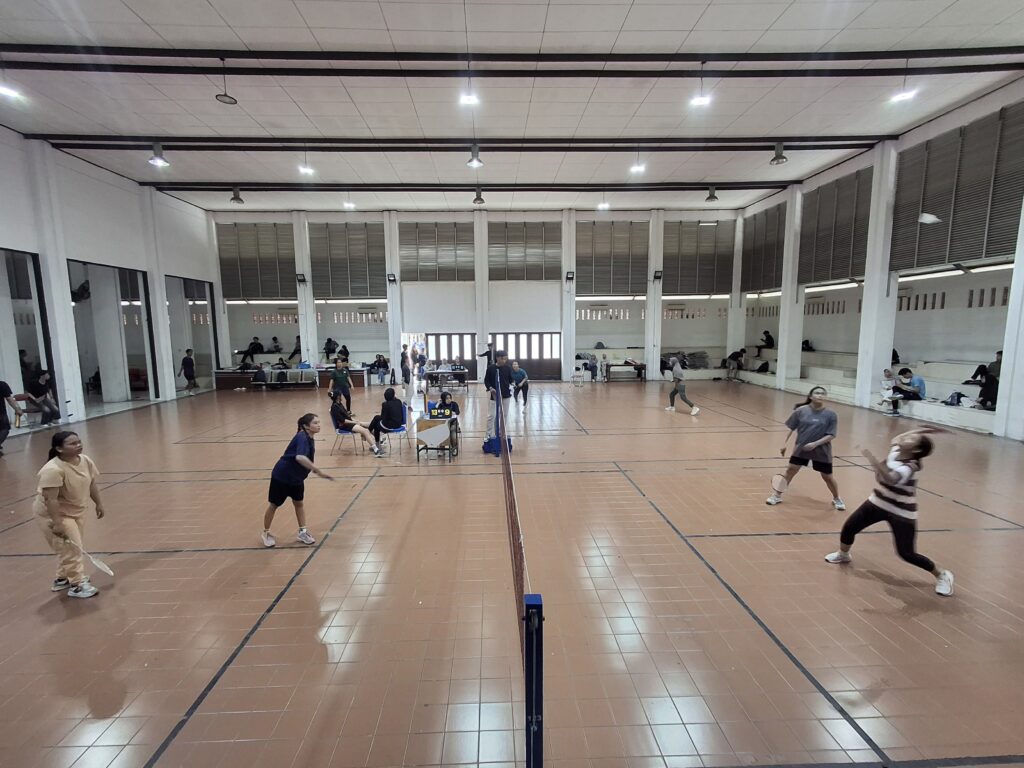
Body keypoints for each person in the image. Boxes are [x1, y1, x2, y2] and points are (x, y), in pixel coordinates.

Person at [824, 426, 955, 597]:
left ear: (915, 450)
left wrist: (873, 460)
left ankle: (942, 575)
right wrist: (923, 431)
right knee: (850, 527)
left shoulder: (909, 467)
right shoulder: (897, 449)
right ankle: (843, 554)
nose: (905, 438)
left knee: (906, 553)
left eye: (911, 440)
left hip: (901, 512)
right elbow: (898, 438)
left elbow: (890, 479)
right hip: (878, 502)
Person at [34, 431, 106, 598]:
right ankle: (77, 585)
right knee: (72, 549)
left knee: (68, 547)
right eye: (73, 444)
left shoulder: (85, 460)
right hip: (54, 514)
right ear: (59, 448)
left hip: (76, 510)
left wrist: (98, 503)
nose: (78, 445)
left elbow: (91, 483)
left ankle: (62, 579)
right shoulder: (53, 469)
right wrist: (57, 523)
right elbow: (50, 500)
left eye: (79, 442)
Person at [767, 386, 845, 511]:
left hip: (822, 451)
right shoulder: (800, 411)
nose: (820, 395)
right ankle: (776, 495)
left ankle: (837, 498)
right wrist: (784, 443)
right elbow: (790, 427)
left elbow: (831, 435)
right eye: (817, 393)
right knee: (790, 471)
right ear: (810, 396)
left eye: (822, 393)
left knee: (827, 477)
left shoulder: (831, 414)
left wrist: (815, 444)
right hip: (801, 449)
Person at [261, 413, 333, 548]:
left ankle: (302, 532)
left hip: (297, 478)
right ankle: (266, 533)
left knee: (299, 503)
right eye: (315, 423)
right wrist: (317, 470)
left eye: (319, 422)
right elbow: (300, 457)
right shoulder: (302, 437)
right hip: (282, 477)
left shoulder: (310, 437)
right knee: (274, 505)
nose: (319, 425)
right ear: (306, 426)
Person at [330, 391, 382, 457]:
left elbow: (347, 416)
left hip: (349, 422)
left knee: (370, 425)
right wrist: (354, 422)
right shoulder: (334, 407)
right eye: (340, 395)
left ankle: (378, 440)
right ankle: (376, 449)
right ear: (338, 397)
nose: (342, 396)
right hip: (344, 426)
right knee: (365, 431)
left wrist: (356, 421)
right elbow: (343, 421)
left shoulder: (339, 404)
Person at [484, 350, 513, 447]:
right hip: (494, 396)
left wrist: (513, 384)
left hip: (506, 396)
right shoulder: (491, 368)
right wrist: (490, 388)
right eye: (502, 358)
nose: (504, 360)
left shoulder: (508, 368)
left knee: (504, 416)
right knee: (491, 416)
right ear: (497, 358)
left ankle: (500, 434)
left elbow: (511, 380)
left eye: (505, 359)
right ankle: (488, 435)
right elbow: (486, 381)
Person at [1, 379, 25, 456]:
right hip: (1, 413)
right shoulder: (2, 384)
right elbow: (9, 399)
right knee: (4, 430)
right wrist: (17, 409)